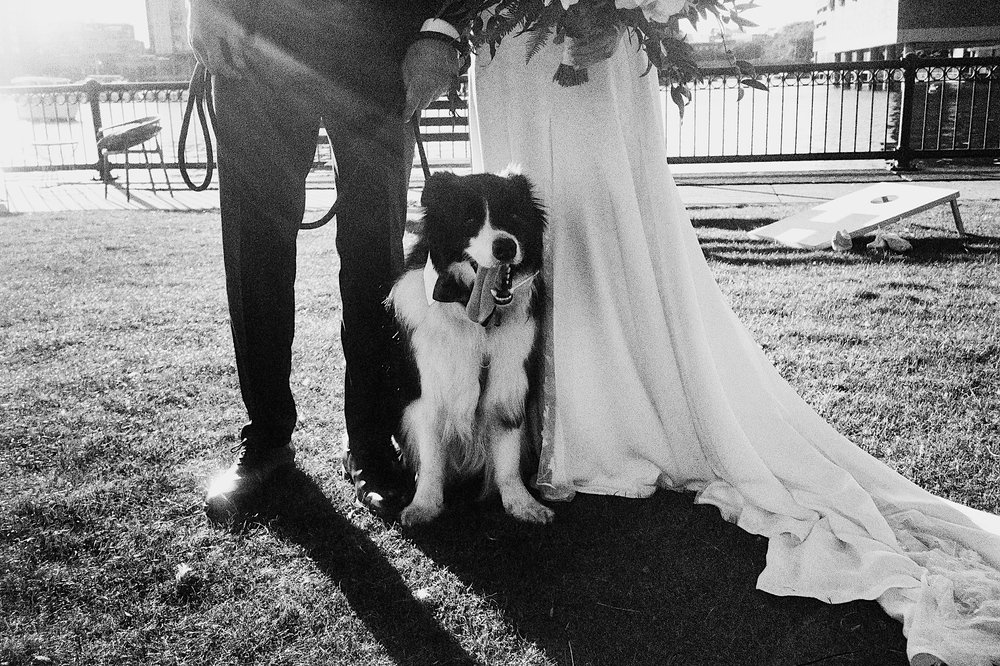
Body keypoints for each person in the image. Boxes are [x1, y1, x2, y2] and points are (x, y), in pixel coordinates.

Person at [469, 27, 1000, 666]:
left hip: (589, 48)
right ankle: (515, 432)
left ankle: (599, 420)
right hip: (507, 50)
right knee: (511, 206)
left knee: (601, 213)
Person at [191, 0, 470, 519]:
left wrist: (441, 29)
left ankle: (369, 441)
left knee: (375, 258)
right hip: (255, 35)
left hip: (376, 39)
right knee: (254, 250)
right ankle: (267, 438)